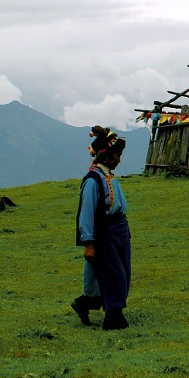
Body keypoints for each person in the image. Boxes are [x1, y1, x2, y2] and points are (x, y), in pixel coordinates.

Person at [71, 126, 131, 330]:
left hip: (119, 232)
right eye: (116, 155)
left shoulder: (108, 176)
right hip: (105, 234)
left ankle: (84, 303)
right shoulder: (92, 180)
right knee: (114, 274)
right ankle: (113, 318)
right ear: (105, 156)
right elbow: (87, 213)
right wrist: (89, 243)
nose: (119, 160)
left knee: (121, 272)